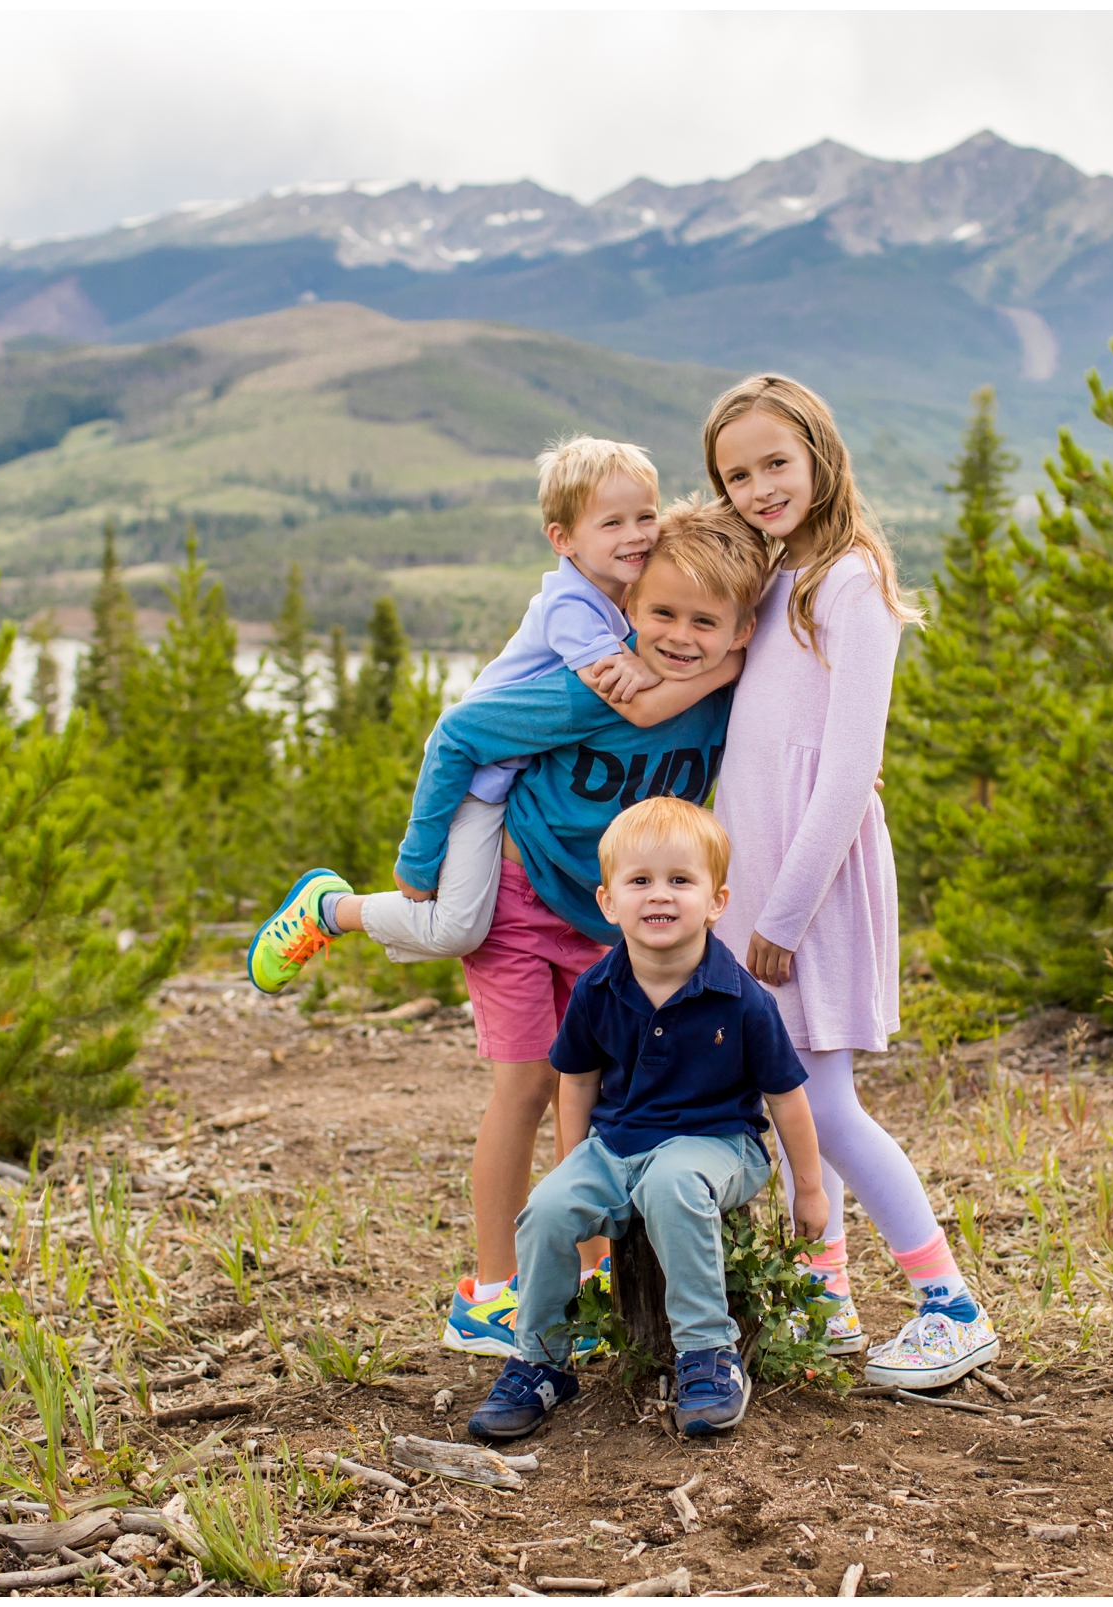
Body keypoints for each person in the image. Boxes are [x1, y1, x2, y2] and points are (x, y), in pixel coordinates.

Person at [262, 502, 772, 1357]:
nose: (681, 636)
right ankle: (492, 1288)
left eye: (704, 622)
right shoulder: (589, 692)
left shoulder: (724, 703)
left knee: (611, 1087)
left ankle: (597, 1273)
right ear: (627, 609)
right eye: (661, 613)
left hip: (610, 921)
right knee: (529, 1085)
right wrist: (419, 860)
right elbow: (460, 732)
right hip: (519, 898)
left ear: (738, 627)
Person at [704, 373, 999, 1390]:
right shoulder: (780, 574)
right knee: (787, 1100)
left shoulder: (851, 580)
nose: (758, 486)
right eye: (736, 473)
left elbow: (846, 770)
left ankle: (947, 1301)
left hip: (808, 885)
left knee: (824, 1106)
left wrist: (783, 911)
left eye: (776, 462)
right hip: (757, 882)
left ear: (822, 455)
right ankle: (823, 1301)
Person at [246, 437, 737, 997]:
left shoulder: (617, 591)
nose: (636, 535)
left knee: (460, 924)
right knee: (454, 926)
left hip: (518, 772)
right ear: (563, 538)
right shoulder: (570, 609)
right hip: (481, 774)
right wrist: (729, 663)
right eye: (613, 524)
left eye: (646, 517)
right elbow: (640, 703)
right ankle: (329, 910)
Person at [465, 795, 826, 1442]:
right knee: (546, 1208)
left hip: (720, 1143)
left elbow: (786, 1095)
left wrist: (811, 1186)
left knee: (671, 1183)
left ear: (717, 900)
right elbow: (576, 1081)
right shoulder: (599, 989)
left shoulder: (742, 997)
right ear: (608, 902)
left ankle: (707, 1354)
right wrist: (575, 1159)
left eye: (680, 880)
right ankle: (541, 1359)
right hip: (619, 1145)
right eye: (641, 880)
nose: (660, 895)